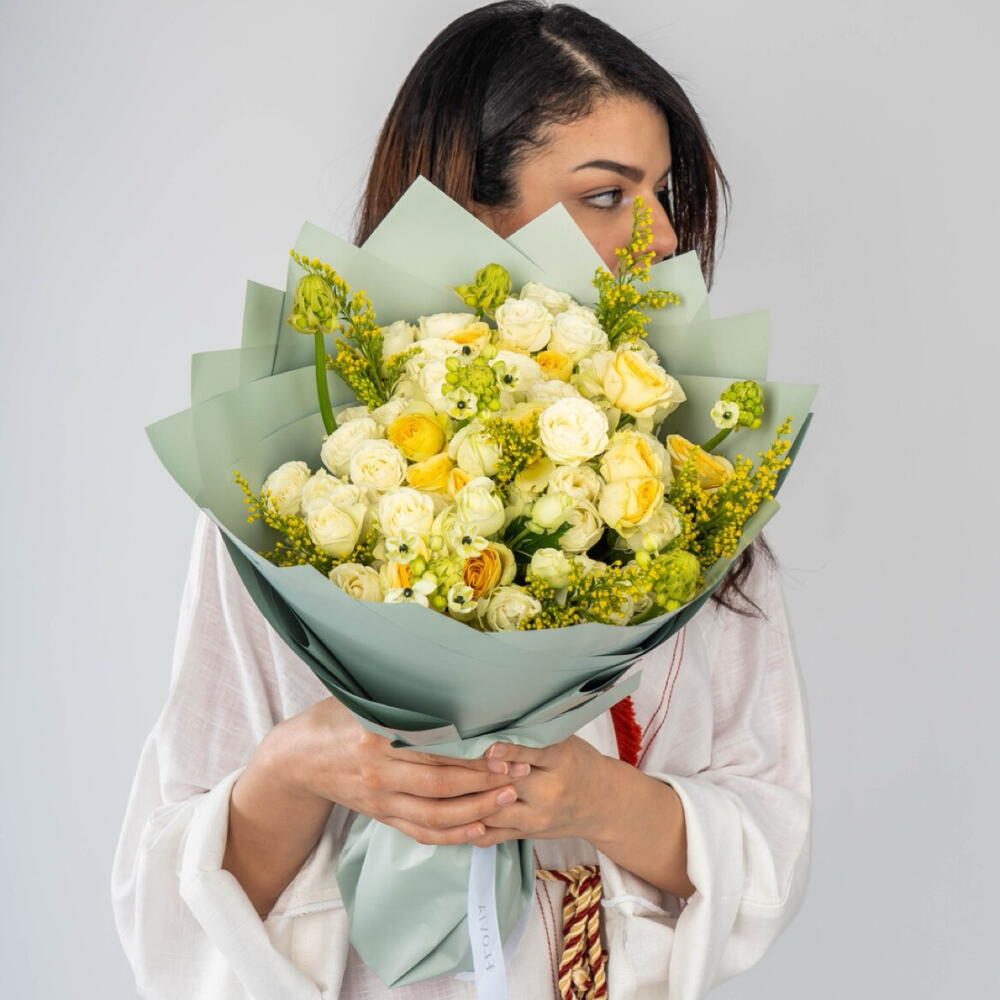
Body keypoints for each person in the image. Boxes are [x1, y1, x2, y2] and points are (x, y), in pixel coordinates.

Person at [111, 3, 813, 998]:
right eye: (606, 194)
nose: (660, 234)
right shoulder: (293, 485)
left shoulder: (693, 486)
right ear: (472, 212)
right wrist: (303, 766)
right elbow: (171, 906)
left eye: (662, 193)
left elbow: (768, 839)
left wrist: (594, 797)